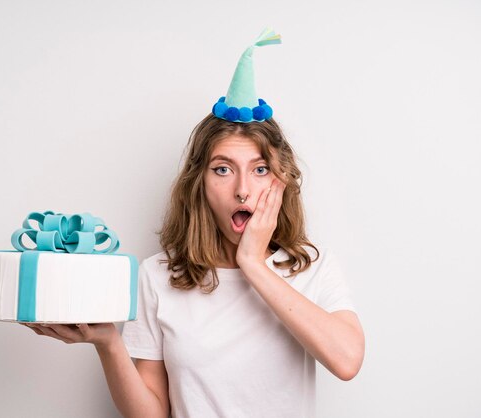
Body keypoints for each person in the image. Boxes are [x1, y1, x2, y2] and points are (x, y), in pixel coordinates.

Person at [24, 29, 364, 418]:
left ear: (280, 181)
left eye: (259, 170)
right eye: (223, 169)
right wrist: (109, 344)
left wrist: (253, 264)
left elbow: (347, 360)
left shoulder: (312, 267)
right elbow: (152, 414)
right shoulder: (158, 277)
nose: (242, 190)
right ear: (198, 183)